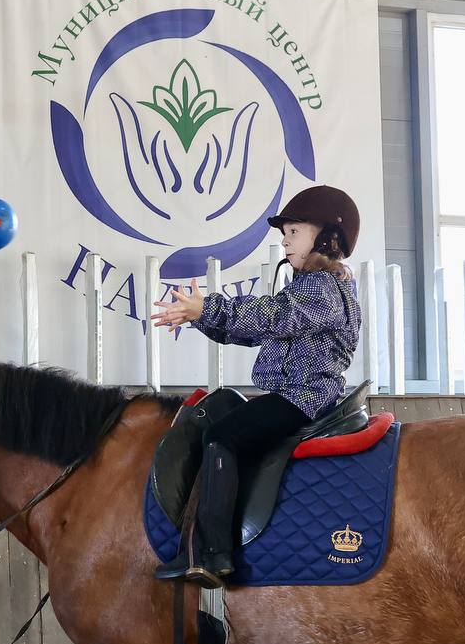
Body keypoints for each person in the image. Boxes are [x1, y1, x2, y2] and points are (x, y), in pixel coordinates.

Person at [150, 185, 362, 588]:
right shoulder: (314, 286)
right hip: (296, 394)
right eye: (286, 233)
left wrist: (208, 306)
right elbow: (259, 330)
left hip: (303, 398)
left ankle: (213, 552)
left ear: (327, 237)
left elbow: (273, 317)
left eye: (295, 232)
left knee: (222, 436)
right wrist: (201, 317)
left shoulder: (321, 288)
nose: (285, 239)